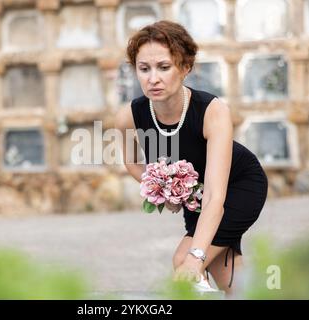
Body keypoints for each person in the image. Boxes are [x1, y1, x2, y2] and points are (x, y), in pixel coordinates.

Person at [115, 20, 268, 296]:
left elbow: (215, 196)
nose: (153, 78)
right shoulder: (129, 116)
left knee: (185, 261)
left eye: (164, 67)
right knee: (229, 277)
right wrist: (162, 192)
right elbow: (132, 162)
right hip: (196, 198)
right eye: (144, 68)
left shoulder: (213, 111)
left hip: (238, 186)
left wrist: (196, 256)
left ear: (185, 68)